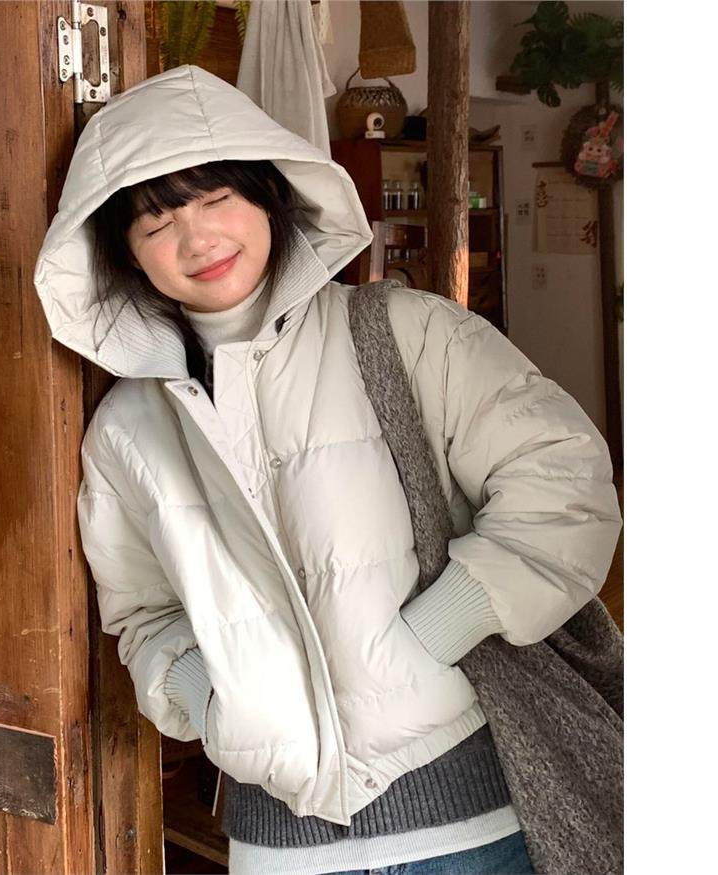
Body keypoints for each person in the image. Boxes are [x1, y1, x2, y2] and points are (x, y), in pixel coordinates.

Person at [34, 65, 622, 875]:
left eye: (216, 198)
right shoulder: (127, 430)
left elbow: (561, 483)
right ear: (125, 257)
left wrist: (439, 628)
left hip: (472, 828)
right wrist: (217, 697)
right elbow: (143, 611)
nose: (196, 239)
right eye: (156, 221)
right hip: (278, 849)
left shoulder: (406, 331)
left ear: (270, 196)